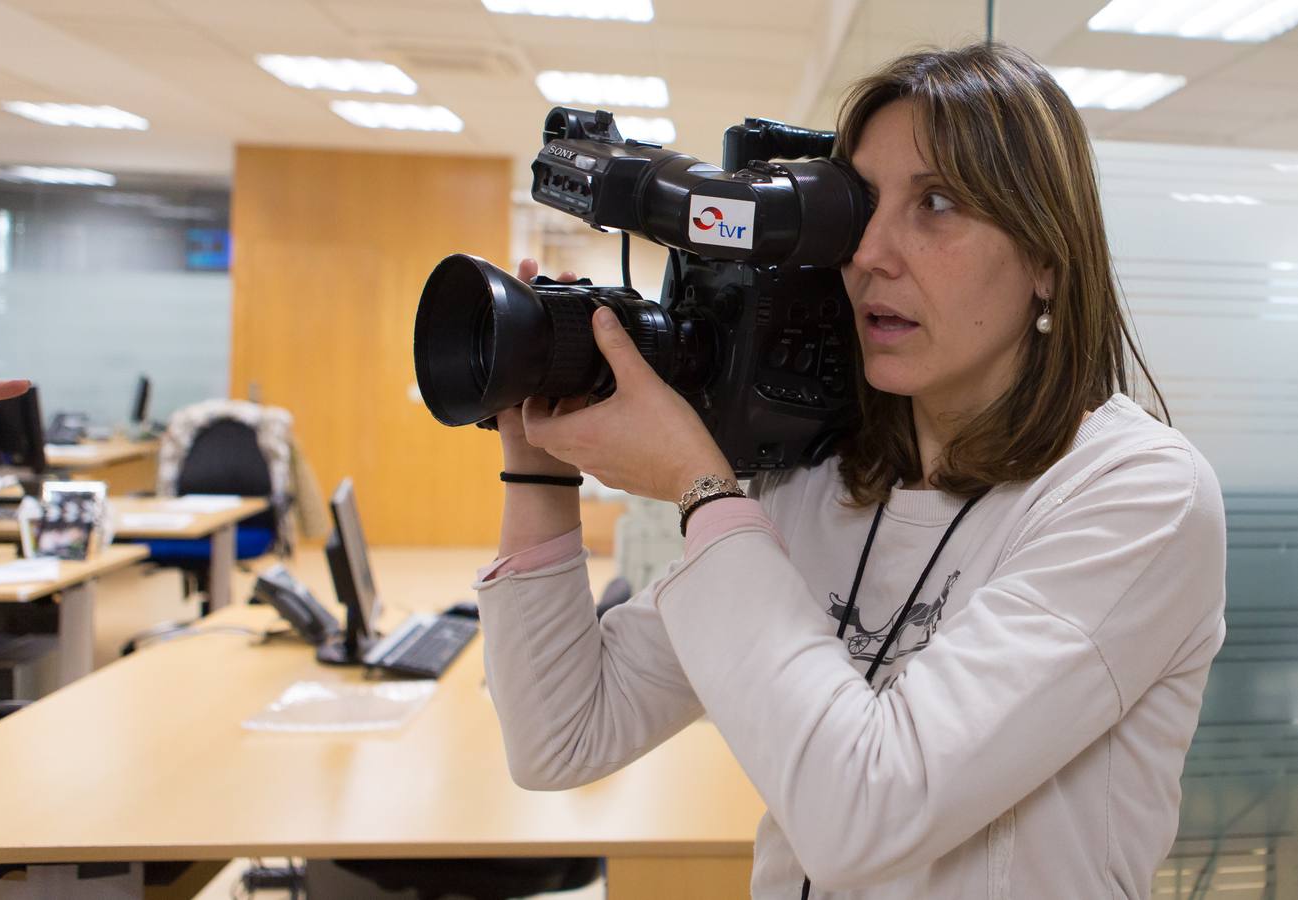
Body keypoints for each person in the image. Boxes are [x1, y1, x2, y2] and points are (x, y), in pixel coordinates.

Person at [470, 42, 1226, 900]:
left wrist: (700, 486)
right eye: (860, 208)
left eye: (936, 204)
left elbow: (869, 814)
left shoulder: (1136, 494)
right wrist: (537, 467)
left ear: (1047, 260)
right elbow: (563, 736)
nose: (870, 253)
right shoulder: (817, 477)